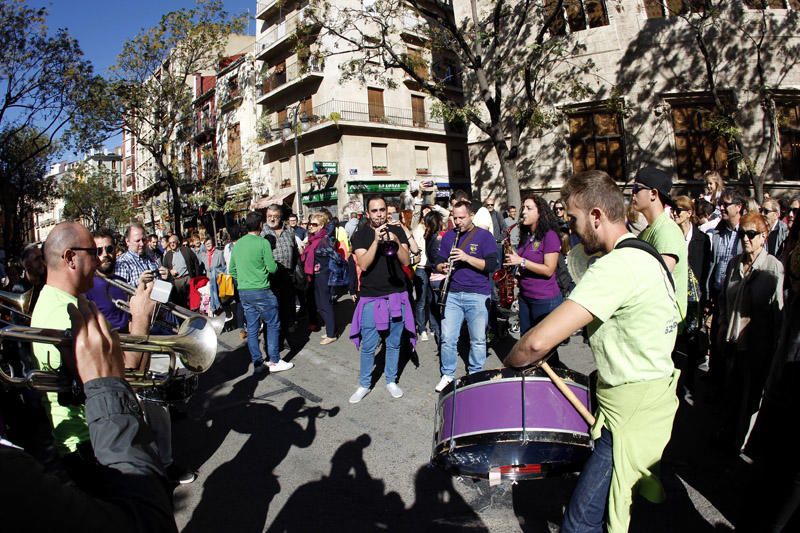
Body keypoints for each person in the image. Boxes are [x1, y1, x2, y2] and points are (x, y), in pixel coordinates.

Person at [504, 170, 679, 533]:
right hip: (647, 398)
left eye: (573, 218)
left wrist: (511, 365)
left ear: (596, 216)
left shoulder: (617, 266)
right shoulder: (644, 253)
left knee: (580, 523)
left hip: (630, 414)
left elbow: (536, 342)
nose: (572, 228)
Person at [1, 298, 178, 533]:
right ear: (70, 258)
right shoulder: (60, 309)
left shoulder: (57, 301)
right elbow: (149, 523)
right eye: (93, 256)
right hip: (89, 447)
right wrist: (141, 320)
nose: (100, 259)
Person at [717, 211, 784, 451]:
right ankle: (725, 441)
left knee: (750, 397)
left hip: (756, 346)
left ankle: (742, 446)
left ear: (764, 237)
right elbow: (724, 300)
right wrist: (723, 326)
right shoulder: (735, 264)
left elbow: (777, 313)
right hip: (731, 341)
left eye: (751, 234)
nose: (745, 239)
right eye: (742, 234)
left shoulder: (772, 268)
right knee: (730, 394)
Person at [348, 196, 415, 403]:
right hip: (371, 297)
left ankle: (391, 380)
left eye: (382, 210)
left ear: (387, 211)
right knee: (369, 345)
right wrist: (377, 241)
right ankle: (364, 384)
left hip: (396, 294)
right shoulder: (360, 235)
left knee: (394, 343)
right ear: (367, 213)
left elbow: (405, 261)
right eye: (374, 211)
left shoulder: (397, 230)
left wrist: (396, 241)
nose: (379, 214)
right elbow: (365, 264)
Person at [433, 201, 499, 392]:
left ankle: (475, 373)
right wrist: (441, 267)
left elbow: (492, 265)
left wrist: (466, 257)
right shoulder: (449, 236)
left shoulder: (484, 236)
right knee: (447, 338)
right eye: (455, 217)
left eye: (462, 217)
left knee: (477, 339)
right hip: (453, 293)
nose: (458, 221)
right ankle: (447, 374)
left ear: (471, 216)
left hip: (477, 294)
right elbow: (437, 261)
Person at [229, 211, 293, 375]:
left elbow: (232, 271)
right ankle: (274, 360)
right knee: (272, 324)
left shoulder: (237, 245)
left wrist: (244, 280)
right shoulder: (262, 243)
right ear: (260, 225)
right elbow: (272, 268)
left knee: (252, 328)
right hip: (262, 289)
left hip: (244, 291)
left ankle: (257, 362)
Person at [631, 166, 688, 327]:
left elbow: (658, 278)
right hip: (652, 322)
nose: (632, 193)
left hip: (667, 326)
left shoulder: (667, 230)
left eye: (637, 188)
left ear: (653, 194)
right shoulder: (646, 232)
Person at [503, 194, 563, 345]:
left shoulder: (550, 235)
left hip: (544, 299)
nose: (523, 212)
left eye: (529, 208)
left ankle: (551, 370)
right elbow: (526, 263)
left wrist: (521, 261)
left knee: (543, 347)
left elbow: (549, 269)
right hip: (525, 296)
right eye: (523, 208)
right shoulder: (528, 235)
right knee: (526, 342)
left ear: (540, 212)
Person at [671, 196, 712, 402]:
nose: (675, 213)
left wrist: (704, 300)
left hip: (695, 301)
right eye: (674, 210)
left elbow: (705, 270)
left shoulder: (702, 240)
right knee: (674, 344)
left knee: (693, 344)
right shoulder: (670, 236)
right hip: (676, 298)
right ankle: (674, 387)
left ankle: (689, 385)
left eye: (679, 210)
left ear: (689, 213)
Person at [707, 189, 745, 375]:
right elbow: (713, 263)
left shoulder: (747, 233)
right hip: (718, 293)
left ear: (738, 207)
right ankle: (715, 376)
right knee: (716, 337)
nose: (721, 207)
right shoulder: (717, 232)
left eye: (726, 204)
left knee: (732, 340)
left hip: (738, 295)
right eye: (721, 203)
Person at [261, 204, 299, 348]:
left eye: (275, 217)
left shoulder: (289, 230)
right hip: (270, 277)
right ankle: (270, 342)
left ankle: (284, 338)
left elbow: (295, 251)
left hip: (287, 276)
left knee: (286, 310)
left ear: (280, 217)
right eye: (269, 216)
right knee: (271, 311)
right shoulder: (262, 232)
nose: (272, 219)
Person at [301, 212, 337, 345]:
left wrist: (321, 266)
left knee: (325, 305)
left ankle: (332, 333)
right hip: (315, 276)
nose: (310, 226)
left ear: (321, 226)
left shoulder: (324, 240)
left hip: (323, 275)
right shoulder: (313, 239)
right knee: (319, 304)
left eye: (314, 224)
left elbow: (333, 257)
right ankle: (330, 330)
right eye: (310, 223)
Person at [86, 229, 130, 332]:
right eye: (99, 251)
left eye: (109, 249)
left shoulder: (122, 281)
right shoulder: (87, 287)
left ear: (115, 250)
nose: (105, 254)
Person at [115, 223, 168, 287]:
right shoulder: (122, 262)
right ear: (127, 241)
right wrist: (140, 282)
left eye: (143, 240)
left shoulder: (149, 258)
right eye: (137, 241)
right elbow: (119, 290)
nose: (142, 244)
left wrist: (165, 275)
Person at [162, 233, 202, 307]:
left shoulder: (186, 250)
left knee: (191, 300)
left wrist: (197, 277)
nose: (172, 244)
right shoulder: (168, 255)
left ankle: (194, 314)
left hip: (187, 278)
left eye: (173, 242)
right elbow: (165, 269)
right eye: (170, 243)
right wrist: (170, 271)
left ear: (178, 242)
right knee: (180, 302)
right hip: (176, 281)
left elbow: (196, 262)